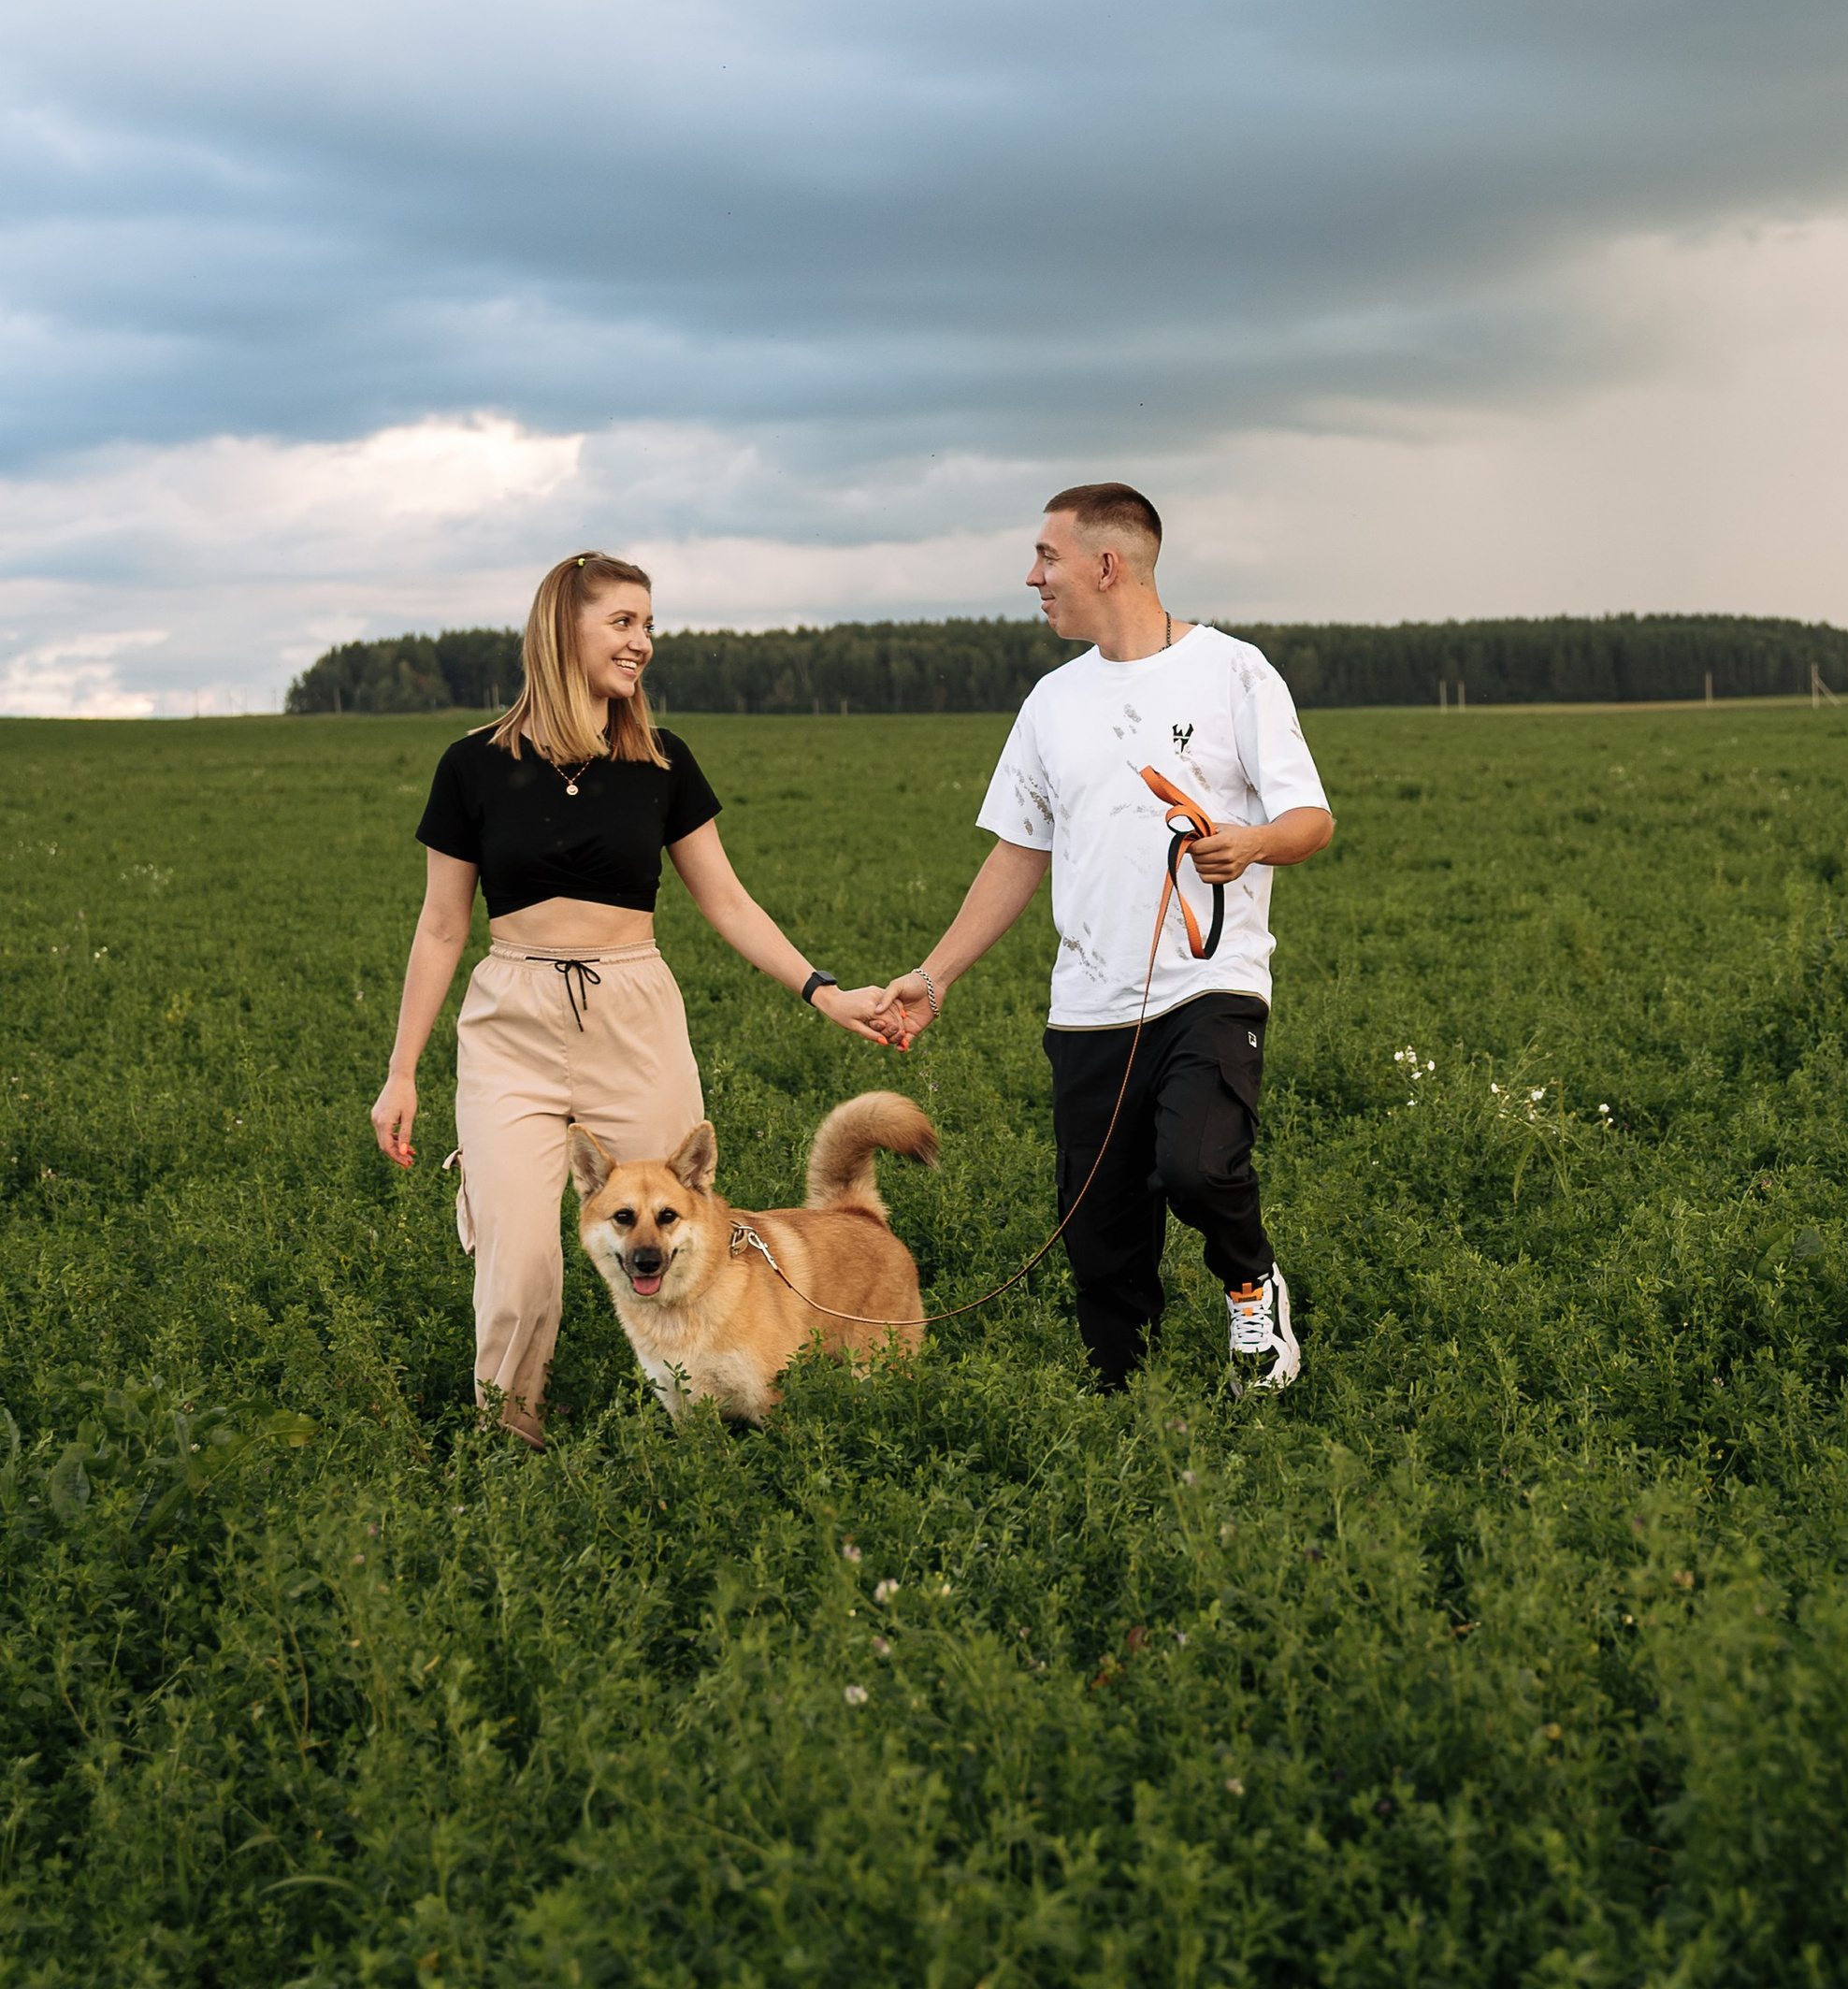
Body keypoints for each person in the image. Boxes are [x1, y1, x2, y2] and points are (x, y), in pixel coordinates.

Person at [370, 549, 888, 1445]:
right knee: (519, 1266)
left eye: (648, 625)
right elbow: (442, 927)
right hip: (510, 1021)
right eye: (622, 622)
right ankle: (512, 1447)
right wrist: (402, 1070)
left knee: (686, 1240)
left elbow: (727, 901)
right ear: (561, 629)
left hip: (634, 1013)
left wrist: (824, 991)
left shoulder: (661, 760)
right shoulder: (471, 765)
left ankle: (714, 1431)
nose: (642, 642)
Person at [870, 485, 1335, 1392]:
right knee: (1101, 1238)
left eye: (1047, 556)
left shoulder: (1234, 672)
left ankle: (1253, 1288)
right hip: (1088, 1006)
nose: (1032, 576)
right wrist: (935, 975)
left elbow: (1311, 819)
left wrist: (1251, 844)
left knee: (1197, 1168)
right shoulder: (1052, 701)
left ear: (1107, 565)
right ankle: (1122, 1399)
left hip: (1208, 985)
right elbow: (1019, 851)